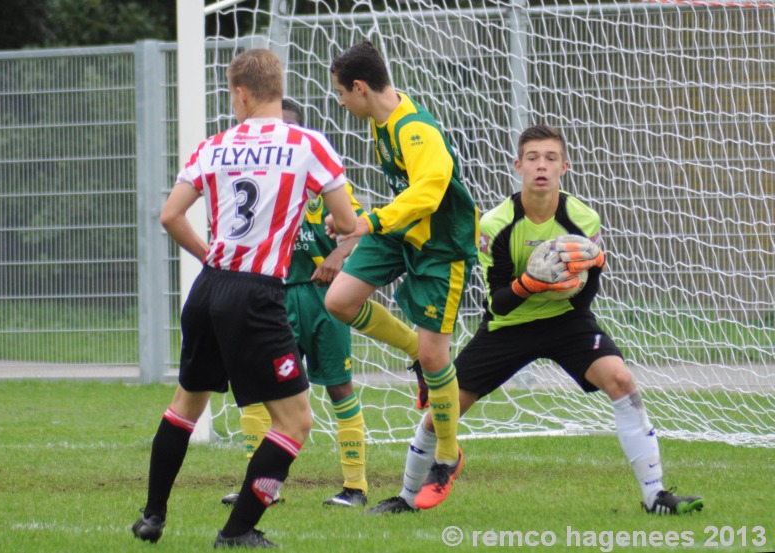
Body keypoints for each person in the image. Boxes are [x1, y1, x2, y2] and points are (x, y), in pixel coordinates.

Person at [366, 124, 704, 516]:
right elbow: (499, 302)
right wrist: (531, 282)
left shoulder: (583, 219)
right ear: (518, 166)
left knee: (622, 380)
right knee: (442, 413)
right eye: (532, 158)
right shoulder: (495, 224)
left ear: (565, 166)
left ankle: (655, 496)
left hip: (566, 321)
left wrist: (593, 267)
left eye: (550, 158)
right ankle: (406, 499)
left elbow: (585, 297)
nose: (541, 166)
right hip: (507, 328)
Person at [131, 49, 358, 549]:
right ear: (278, 88)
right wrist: (344, 248)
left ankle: (152, 516)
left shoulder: (213, 146)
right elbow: (346, 224)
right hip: (257, 294)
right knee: (295, 421)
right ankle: (237, 532)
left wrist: (209, 252)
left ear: (240, 93)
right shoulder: (306, 144)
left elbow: (170, 216)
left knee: (185, 406)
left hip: (209, 285)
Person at [221, 99, 420, 509]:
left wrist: (338, 254)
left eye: (289, 131)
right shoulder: (256, 185)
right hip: (272, 297)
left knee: (338, 386)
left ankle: (355, 487)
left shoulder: (325, 184)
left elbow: (362, 229)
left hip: (320, 299)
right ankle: (261, 485)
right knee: (263, 391)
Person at [324, 40, 479, 511]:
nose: (341, 103)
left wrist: (368, 222)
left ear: (360, 87)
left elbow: (429, 194)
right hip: (398, 233)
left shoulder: (416, 130)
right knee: (339, 301)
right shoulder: (381, 121)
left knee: (439, 357)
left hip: (439, 246)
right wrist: (353, 229)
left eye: (341, 94)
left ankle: (448, 457)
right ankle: (415, 352)